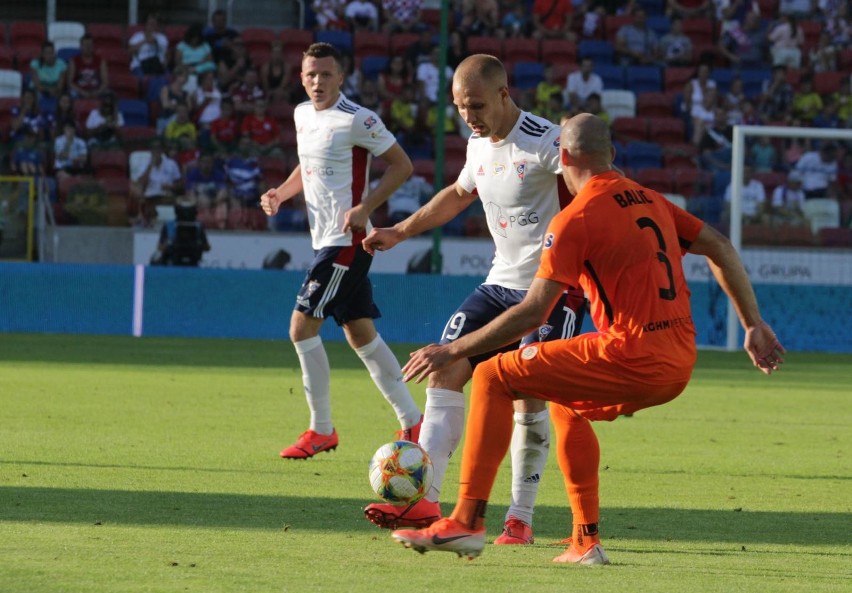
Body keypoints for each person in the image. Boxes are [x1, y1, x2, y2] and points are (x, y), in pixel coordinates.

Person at [390, 113, 785, 563]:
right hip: (679, 359)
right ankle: (585, 539)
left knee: (494, 376)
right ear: (611, 155)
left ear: (562, 157)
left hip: (630, 354)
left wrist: (453, 349)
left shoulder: (574, 219)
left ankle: (465, 521)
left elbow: (533, 312)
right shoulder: (652, 199)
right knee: (562, 398)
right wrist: (752, 323)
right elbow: (720, 245)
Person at [361, 54, 587, 544]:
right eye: (461, 107)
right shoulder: (477, 145)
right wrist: (400, 230)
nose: (469, 116)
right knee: (444, 368)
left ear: (505, 95)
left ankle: (519, 519)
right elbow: (459, 194)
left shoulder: (547, 143)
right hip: (499, 283)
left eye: (477, 105)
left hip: (552, 290)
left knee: (529, 395)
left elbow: (594, 192)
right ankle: (426, 499)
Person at [259, 42, 423, 459]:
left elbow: (402, 165)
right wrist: (281, 192)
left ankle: (321, 429)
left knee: (301, 326)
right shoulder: (301, 115)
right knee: (360, 331)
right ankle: (413, 420)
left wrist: (366, 207)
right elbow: (307, 164)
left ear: (341, 77)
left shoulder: (358, 119)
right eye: (311, 74)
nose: (318, 81)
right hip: (329, 241)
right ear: (301, 77)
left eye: (326, 74)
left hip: (347, 242)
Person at [67, 34, 109, 99]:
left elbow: (105, 82)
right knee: (71, 94)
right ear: (81, 46)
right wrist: (82, 92)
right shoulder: (74, 61)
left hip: (96, 91)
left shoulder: (101, 61)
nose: (88, 48)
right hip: (79, 91)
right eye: (85, 45)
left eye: (90, 45)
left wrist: (98, 92)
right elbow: (70, 82)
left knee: (110, 95)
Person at [128, 13, 169, 77]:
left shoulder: (162, 38)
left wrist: (156, 43)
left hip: (157, 65)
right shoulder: (137, 36)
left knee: (167, 78)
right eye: (150, 23)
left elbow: (166, 54)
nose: (152, 26)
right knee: (145, 79)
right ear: (145, 24)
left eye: (154, 24)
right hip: (140, 65)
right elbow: (130, 51)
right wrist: (144, 41)